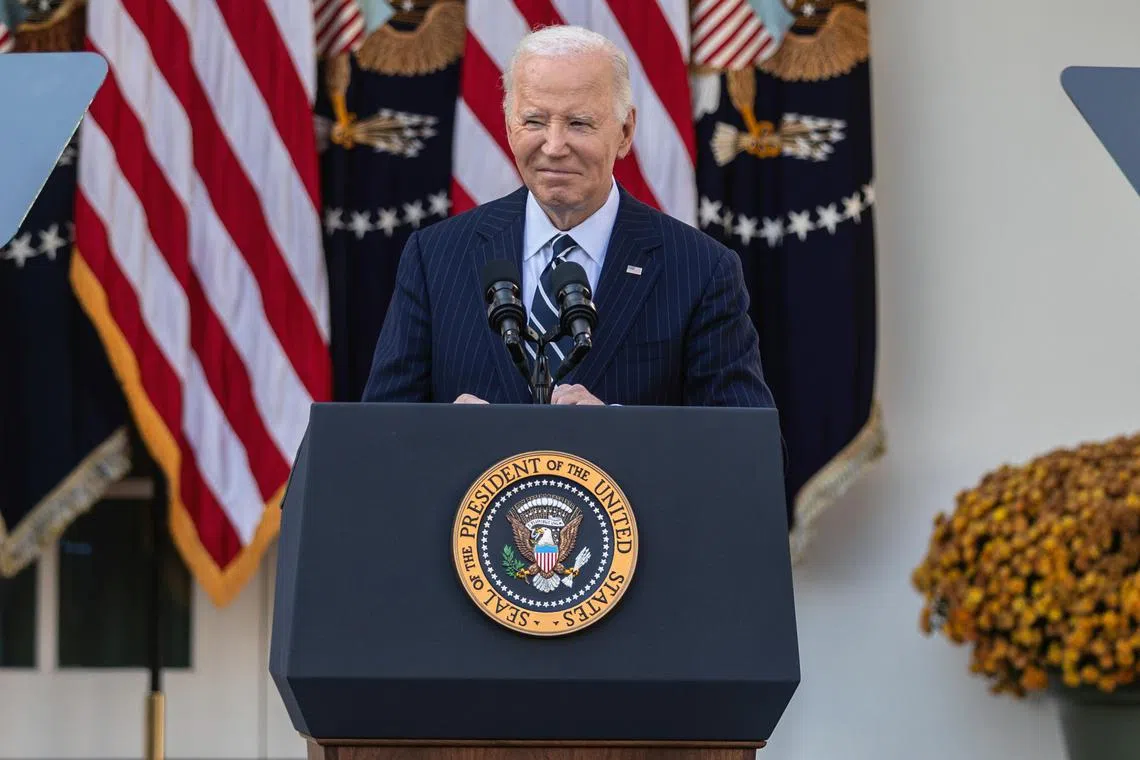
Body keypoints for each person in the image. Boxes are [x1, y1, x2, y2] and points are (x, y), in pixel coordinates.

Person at [361, 25, 775, 408]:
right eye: (534, 121)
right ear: (508, 127)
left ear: (625, 132)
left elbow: (745, 454)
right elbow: (374, 439)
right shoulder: (435, 258)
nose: (554, 146)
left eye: (578, 123)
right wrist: (443, 436)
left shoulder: (701, 270)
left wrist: (623, 437)